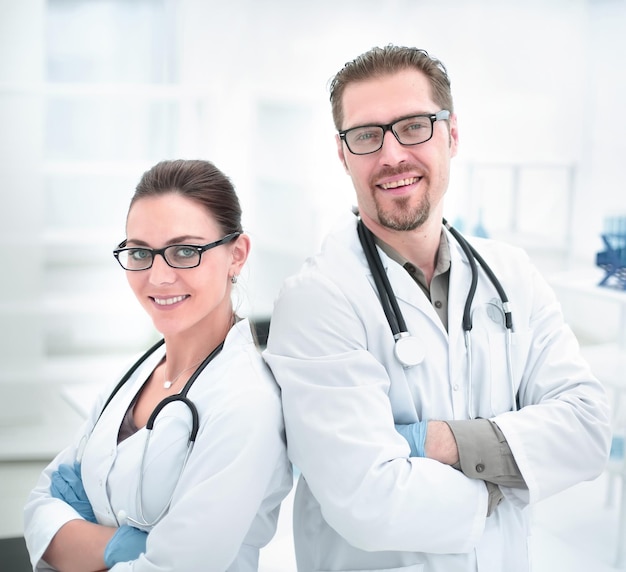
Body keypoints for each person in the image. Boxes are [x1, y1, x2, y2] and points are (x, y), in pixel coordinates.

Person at [263, 45, 611, 572]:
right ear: (343, 155)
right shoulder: (316, 300)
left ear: (452, 135)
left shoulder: (511, 274)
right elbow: (369, 501)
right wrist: (511, 476)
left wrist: (437, 442)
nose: (391, 155)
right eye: (366, 135)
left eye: (414, 126)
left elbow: (587, 430)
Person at [24, 159, 292, 571]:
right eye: (140, 252)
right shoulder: (138, 373)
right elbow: (42, 505)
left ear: (236, 255)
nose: (159, 276)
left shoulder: (246, 402)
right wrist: (129, 546)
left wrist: (84, 536)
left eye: (185, 251)